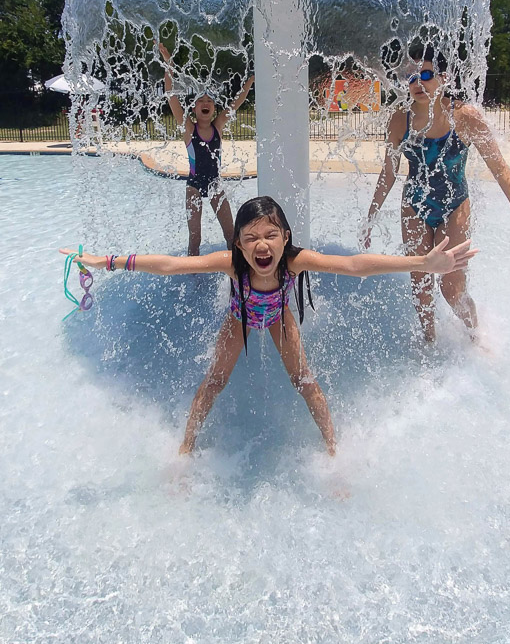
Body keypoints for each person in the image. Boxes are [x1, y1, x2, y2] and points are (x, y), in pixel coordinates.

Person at [61, 195, 476, 459]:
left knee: (305, 380)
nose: (262, 245)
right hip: (240, 318)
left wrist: (422, 263)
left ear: (285, 237)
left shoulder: (295, 259)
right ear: (238, 244)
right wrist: (107, 261)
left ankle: (333, 450)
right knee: (215, 381)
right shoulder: (233, 264)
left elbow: (355, 266)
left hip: (278, 317)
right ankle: (185, 449)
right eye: (250, 237)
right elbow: (171, 266)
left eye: (270, 235)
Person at [364, 45, 510, 343]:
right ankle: (429, 342)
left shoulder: (465, 117)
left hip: (454, 206)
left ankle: (475, 336)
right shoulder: (400, 120)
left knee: (451, 288)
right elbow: (389, 172)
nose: (418, 83)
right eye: (411, 77)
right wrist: (370, 216)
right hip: (414, 205)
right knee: (420, 284)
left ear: (444, 78)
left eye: (426, 74)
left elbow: (500, 169)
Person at [159, 43, 254, 254]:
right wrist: (169, 65)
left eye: (209, 101)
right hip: (193, 186)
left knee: (231, 234)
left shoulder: (218, 126)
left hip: (215, 185)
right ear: (194, 109)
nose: (205, 103)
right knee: (195, 238)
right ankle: (192, 278)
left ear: (214, 108)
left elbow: (236, 104)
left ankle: (235, 273)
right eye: (201, 101)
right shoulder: (188, 129)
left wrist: (249, 83)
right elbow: (171, 95)